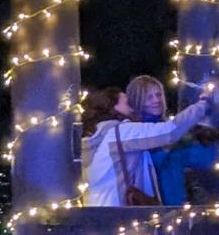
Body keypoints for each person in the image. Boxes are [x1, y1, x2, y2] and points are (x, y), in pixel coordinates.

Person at [82, 75, 212, 206]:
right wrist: (205, 102)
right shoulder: (122, 132)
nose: (131, 107)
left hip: (103, 208)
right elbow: (170, 132)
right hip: (118, 209)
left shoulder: (105, 134)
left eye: (158, 95)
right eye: (127, 103)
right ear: (114, 107)